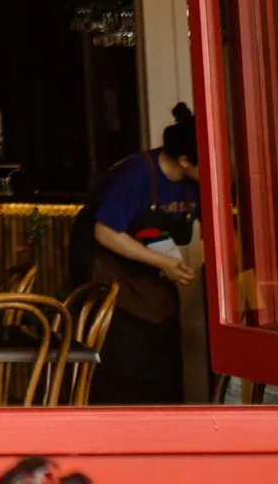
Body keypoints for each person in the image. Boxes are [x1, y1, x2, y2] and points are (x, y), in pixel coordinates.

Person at [79, 103, 203, 404]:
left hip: (156, 286)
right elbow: (105, 232)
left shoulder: (194, 187)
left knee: (166, 371)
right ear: (185, 161)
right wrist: (164, 263)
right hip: (116, 285)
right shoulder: (136, 174)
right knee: (125, 374)